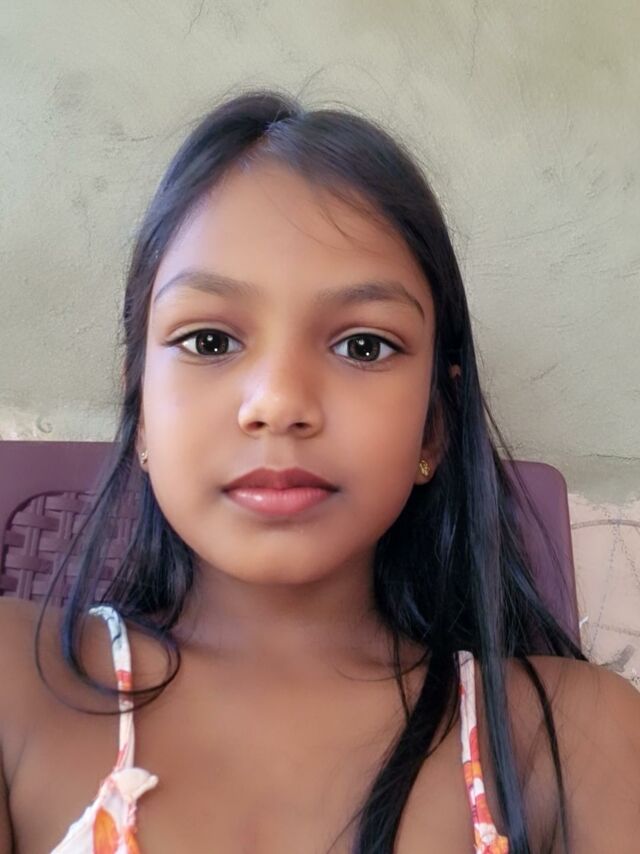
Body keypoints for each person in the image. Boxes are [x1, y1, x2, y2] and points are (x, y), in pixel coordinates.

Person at [0, 89, 638, 854]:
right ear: (140, 415)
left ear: (434, 424)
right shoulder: (16, 685)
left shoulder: (576, 740)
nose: (278, 403)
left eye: (363, 346)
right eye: (208, 341)